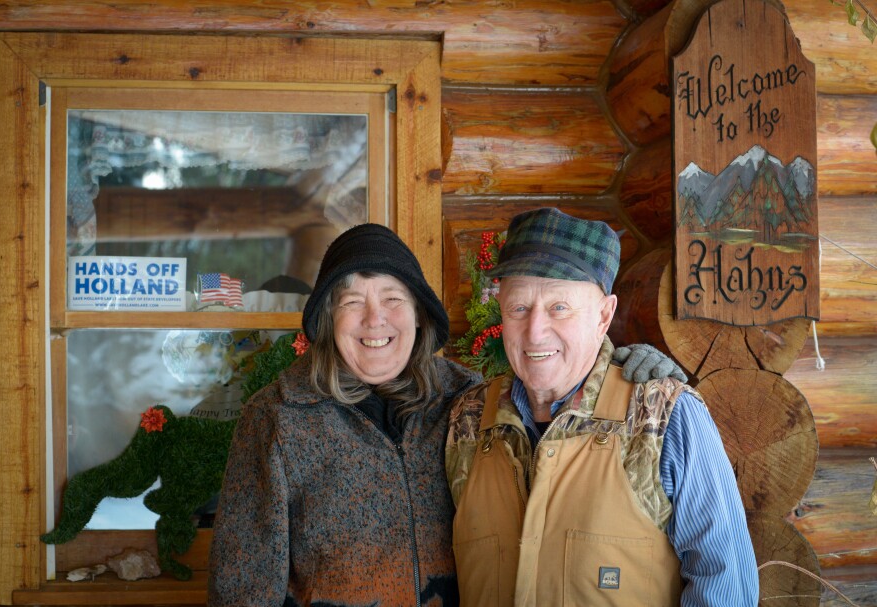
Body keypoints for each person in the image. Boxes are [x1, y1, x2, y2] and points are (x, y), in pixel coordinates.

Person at [208, 221, 681, 606]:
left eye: (393, 299)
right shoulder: (277, 417)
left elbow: (557, 397)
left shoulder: (470, 401)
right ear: (329, 321)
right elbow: (242, 590)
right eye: (352, 302)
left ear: (418, 314)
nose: (376, 320)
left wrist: (625, 363)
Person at [445, 207, 758, 606]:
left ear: (604, 315)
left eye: (560, 307)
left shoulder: (667, 417)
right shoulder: (467, 423)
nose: (535, 331)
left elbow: (726, 587)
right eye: (519, 308)